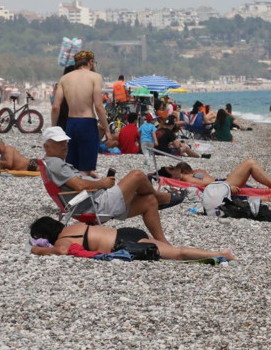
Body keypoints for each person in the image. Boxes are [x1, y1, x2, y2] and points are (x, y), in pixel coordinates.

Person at [41, 126, 183, 244]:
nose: (65, 145)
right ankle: (163, 198)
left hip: (94, 200)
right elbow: (78, 185)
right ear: (47, 146)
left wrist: (93, 180)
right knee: (137, 175)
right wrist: (102, 183)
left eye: (65, 141)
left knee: (149, 202)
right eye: (59, 142)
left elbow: (74, 182)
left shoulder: (52, 163)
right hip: (95, 205)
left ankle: (164, 244)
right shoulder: (55, 162)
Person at [29, 217, 236, 261]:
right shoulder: (73, 226)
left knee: (178, 255)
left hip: (124, 244)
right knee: (175, 250)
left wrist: (39, 250)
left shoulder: (62, 240)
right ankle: (217, 253)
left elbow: (62, 251)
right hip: (127, 231)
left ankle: (220, 253)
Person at [50, 51, 111, 173]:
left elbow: (56, 106)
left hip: (71, 124)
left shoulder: (64, 78)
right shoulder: (95, 77)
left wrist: (53, 128)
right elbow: (99, 106)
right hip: (87, 123)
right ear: (91, 62)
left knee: (72, 167)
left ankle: (74, 190)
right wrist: (107, 131)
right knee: (86, 169)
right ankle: (84, 190)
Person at [158, 160, 271, 202]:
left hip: (223, 184)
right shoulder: (185, 177)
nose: (175, 173)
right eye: (172, 171)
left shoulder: (192, 174)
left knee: (261, 195)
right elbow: (205, 185)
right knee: (249, 163)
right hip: (223, 185)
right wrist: (225, 187)